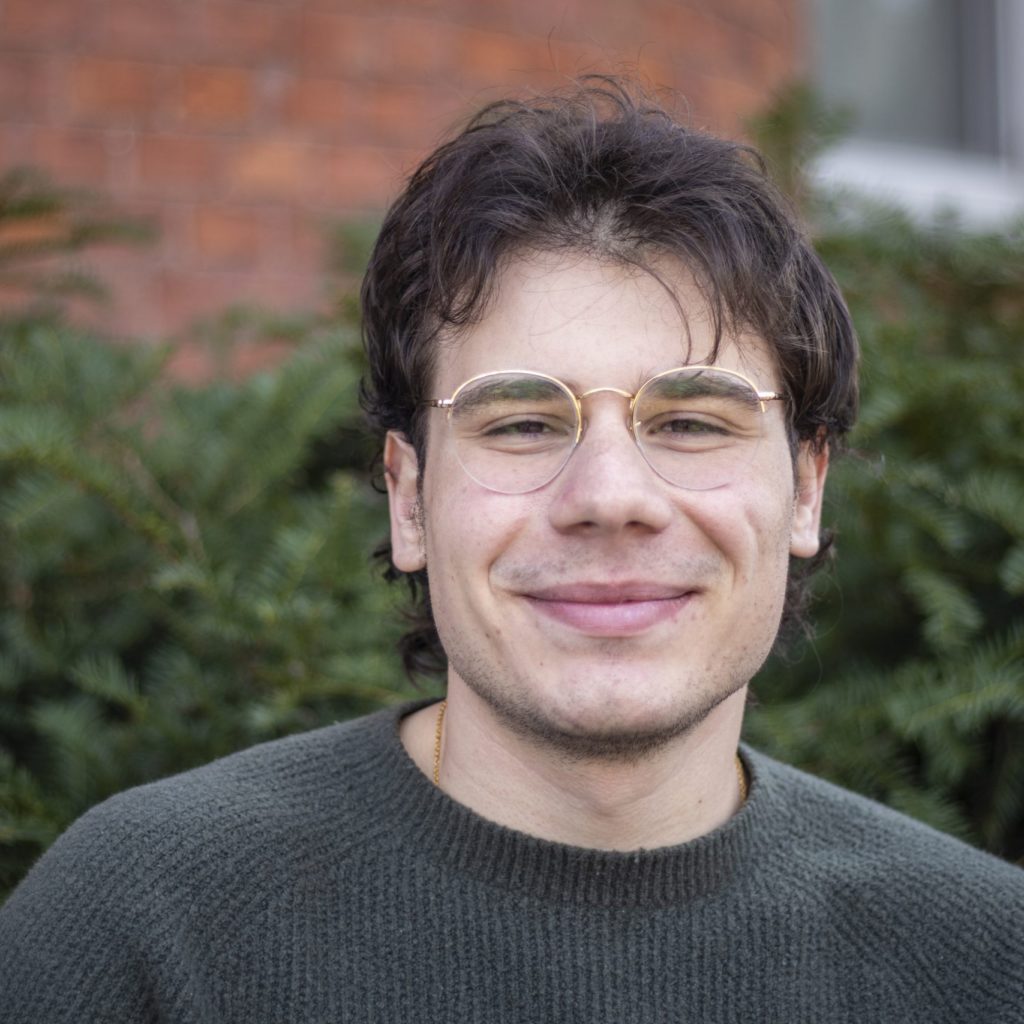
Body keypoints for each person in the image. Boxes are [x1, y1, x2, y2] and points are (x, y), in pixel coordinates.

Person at [1, 77, 1021, 1024]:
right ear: (408, 497)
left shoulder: (983, 965)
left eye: (692, 422)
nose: (610, 498)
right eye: (523, 423)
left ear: (804, 488)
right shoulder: (140, 930)